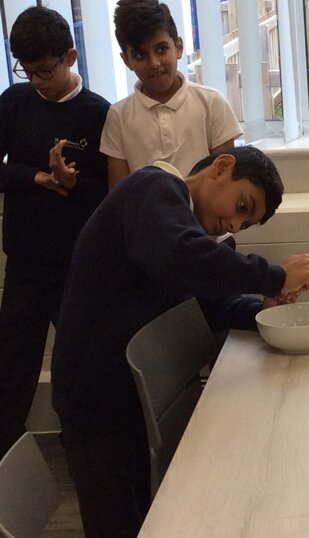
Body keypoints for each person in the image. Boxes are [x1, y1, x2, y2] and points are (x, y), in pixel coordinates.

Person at [51, 145, 309, 537]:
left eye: (244, 224)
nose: (233, 224)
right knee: (114, 520)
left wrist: (264, 313)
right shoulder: (153, 187)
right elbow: (179, 256)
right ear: (221, 166)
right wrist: (274, 276)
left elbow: (203, 306)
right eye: (242, 206)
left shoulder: (179, 224)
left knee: (137, 514)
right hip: (93, 395)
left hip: (125, 393)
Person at [0, 6, 110, 457]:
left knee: (81, 369)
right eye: (27, 71)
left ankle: (83, 453)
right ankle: (7, 463)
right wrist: (34, 177)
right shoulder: (14, 102)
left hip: (76, 267)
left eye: (45, 71)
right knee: (10, 371)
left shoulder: (99, 114)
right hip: (24, 264)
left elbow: (109, 195)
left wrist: (71, 183)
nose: (37, 81)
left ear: (70, 57)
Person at [101, 0, 242, 189]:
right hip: (145, 209)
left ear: (178, 47)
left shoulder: (211, 103)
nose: (154, 63)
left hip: (202, 209)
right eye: (140, 55)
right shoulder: (118, 117)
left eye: (161, 49)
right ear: (126, 60)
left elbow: (224, 185)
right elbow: (119, 194)